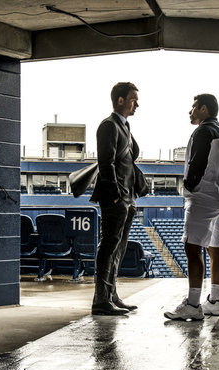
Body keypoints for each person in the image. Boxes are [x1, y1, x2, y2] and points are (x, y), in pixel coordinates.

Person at [164, 94, 219, 321]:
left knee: (192, 248)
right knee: (215, 247)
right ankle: (214, 302)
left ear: (204, 109)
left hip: (203, 197)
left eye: (193, 107)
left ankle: (193, 305)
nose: (190, 111)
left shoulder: (203, 131)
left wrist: (189, 186)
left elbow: (197, 165)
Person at [90, 82, 143, 316]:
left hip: (128, 198)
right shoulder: (108, 126)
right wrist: (115, 198)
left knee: (119, 248)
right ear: (120, 100)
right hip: (117, 199)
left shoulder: (125, 127)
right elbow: (106, 164)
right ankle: (101, 300)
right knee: (109, 246)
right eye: (133, 99)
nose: (137, 104)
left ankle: (111, 295)